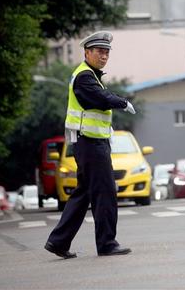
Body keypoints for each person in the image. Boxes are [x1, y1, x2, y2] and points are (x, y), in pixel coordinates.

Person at [45, 31, 136, 259]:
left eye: (106, 52)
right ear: (87, 52)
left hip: (90, 143)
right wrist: (122, 102)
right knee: (105, 192)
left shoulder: (92, 75)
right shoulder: (85, 77)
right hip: (91, 144)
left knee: (83, 194)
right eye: (99, 52)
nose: (104, 56)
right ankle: (106, 243)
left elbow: (101, 96)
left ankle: (58, 241)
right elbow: (100, 98)